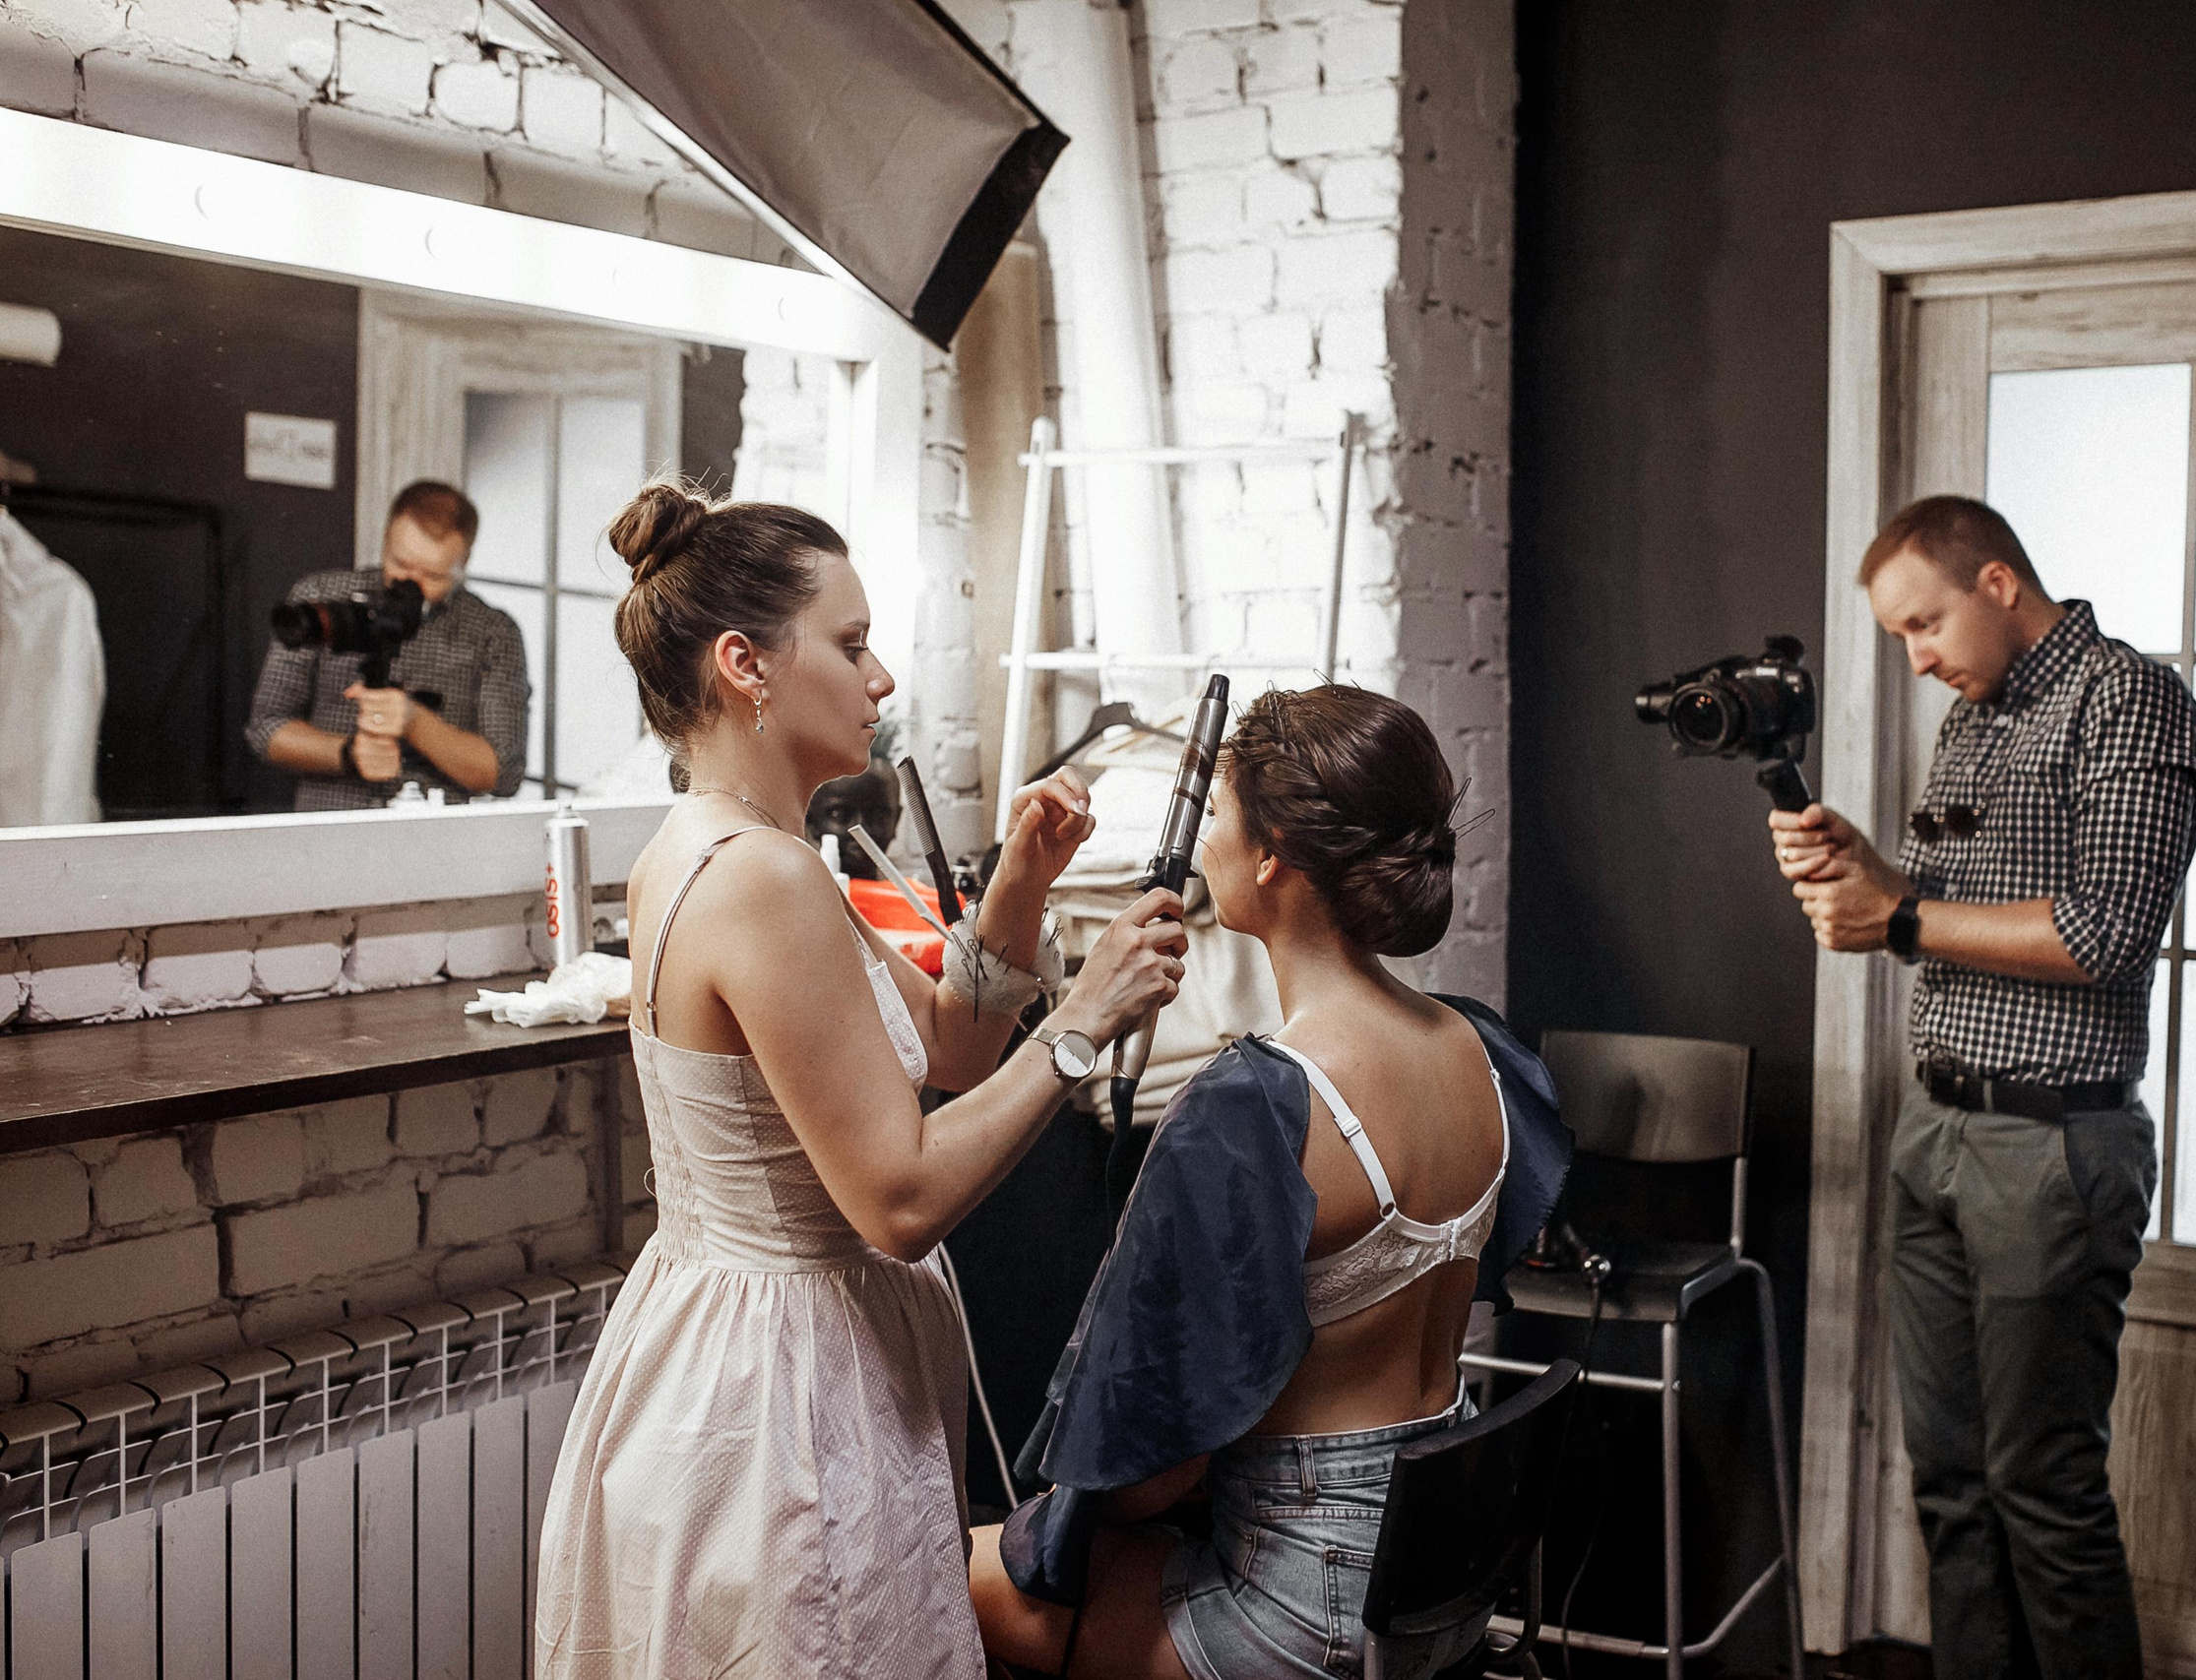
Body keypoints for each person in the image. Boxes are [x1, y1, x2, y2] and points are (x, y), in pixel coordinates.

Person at [532, 482, 1188, 1679]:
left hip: (725, 1339)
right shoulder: (762, 881)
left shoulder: (724, 848)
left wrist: (1022, 886)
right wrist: (1083, 1022)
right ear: (747, 666)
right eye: (850, 644)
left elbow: (946, 1043)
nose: (881, 678)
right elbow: (900, 1200)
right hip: (782, 1388)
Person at [969, 685, 1571, 1680]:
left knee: (936, 1569)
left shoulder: (1259, 1106)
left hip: (1306, 1606)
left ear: (1269, 854)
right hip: (1437, 1582)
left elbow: (1149, 1476)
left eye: (1213, 817)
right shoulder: (1483, 1052)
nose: (1199, 843)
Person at [1769, 496, 2196, 1680]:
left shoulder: (2130, 701)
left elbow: (2108, 930)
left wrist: (1899, 915)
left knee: (2045, 1490)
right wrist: (1870, 872)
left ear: (1998, 585)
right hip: (1936, 1134)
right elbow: (1960, 908)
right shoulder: (1974, 715)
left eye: (1924, 625)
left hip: (2050, 1150)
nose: (1915, 659)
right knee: (1953, 1486)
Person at [244, 480, 528, 809]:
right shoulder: (323, 600)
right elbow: (265, 729)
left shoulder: (492, 632)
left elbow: (505, 775)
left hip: (434, 833)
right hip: (331, 826)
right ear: (385, 543)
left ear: (462, 564)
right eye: (401, 564)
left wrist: (416, 722)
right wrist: (347, 754)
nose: (410, 584)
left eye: (433, 575)